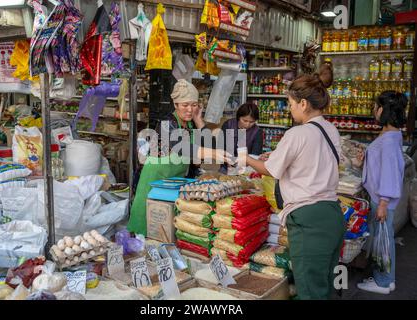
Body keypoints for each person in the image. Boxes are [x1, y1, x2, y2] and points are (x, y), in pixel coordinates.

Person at [238, 62, 346, 300]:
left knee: (309, 291)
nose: (289, 109)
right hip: (332, 215)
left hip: (309, 221)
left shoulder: (297, 133)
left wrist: (246, 159)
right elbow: (308, 162)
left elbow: (270, 170)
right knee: (325, 286)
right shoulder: (331, 130)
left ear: (303, 104)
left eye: (290, 104)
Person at [127, 79, 230, 235]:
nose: (189, 109)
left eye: (193, 105)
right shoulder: (167, 123)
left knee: (170, 225)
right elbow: (184, 148)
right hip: (155, 181)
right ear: (175, 105)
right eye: (185, 105)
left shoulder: (189, 123)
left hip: (174, 182)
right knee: (147, 222)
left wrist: (198, 119)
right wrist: (214, 154)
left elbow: (208, 142)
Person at [357, 91, 406, 295]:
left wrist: (384, 202)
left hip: (382, 199)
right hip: (381, 198)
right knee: (383, 239)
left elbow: (390, 172)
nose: (373, 110)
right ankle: (387, 279)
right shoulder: (391, 134)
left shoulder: (388, 139)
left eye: (376, 106)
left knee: (382, 241)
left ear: (383, 110)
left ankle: (383, 282)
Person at [219, 103, 263, 174]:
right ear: (238, 117)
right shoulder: (228, 125)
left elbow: (255, 155)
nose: (247, 124)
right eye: (245, 120)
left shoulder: (257, 132)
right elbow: (221, 148)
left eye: (252, 122)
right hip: (226, 166)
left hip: (247, 169)